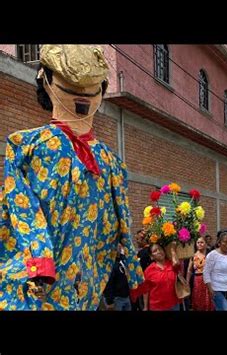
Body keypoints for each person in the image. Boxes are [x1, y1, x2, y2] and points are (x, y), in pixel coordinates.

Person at [0, 45, 143, 310]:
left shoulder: (111, 162)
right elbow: (21, 206)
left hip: (86, 285)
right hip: (34, 284)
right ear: (47, 81)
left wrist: (133, 271)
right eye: (71, 84)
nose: (83, 95)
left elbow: (123, 219)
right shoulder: (27, 146)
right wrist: (39, 260)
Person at [203, 232, 227, 311]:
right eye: (225, 242)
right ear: (219, 243)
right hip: (218, 290)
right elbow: (206, 272)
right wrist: (210, 289)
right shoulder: (212, 255)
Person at [143, 242, 181, 311]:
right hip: (157, 306)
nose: (159, 252)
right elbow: (146, 290)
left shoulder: (172, 264)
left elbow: (177, 263)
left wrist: (172, 249)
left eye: (160, 249)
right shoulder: (148, 270)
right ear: (152, 257)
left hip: (174, 304)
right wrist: (145, 307)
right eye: (155, 251)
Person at [186, 236, 213, 311]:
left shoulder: (210, 255)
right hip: (197, 280)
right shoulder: (193, 256)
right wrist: (187, 282)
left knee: (208, 301)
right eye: (198, 242)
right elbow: (189, 270)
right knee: (198, 300)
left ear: (205, 244)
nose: (199, 244)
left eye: (201, 242)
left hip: (208, 281)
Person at [103, 245, 132, 311]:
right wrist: (109, 301)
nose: (118, 246)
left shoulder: (123, 259)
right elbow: (108, 283)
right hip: (116, 298)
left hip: (126, 295)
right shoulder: (109, 264)